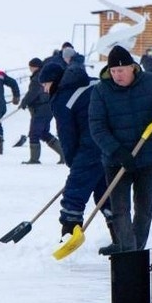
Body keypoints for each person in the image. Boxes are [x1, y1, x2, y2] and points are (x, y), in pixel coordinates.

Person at [88, 45, 152, 254]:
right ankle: (128, 253)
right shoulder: (101, 91)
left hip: (146, 156)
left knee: (144, 209)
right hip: (116, 160)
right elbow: (97, 127)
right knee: (120, 209)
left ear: (132, 67)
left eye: (121, 70)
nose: (117, 75)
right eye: (113, 71)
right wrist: (117, 151)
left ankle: (137, 250)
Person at [38, 62, 115, 247]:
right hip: (114, 143)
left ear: (53, 81)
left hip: (91, 146)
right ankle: (122, 237)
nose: (45, 90)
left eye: (45, 85)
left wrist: (73, 162)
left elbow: (67, 135)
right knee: (105, 191)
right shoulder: (92, 82)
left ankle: (69, 235)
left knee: (74, 192)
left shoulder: (62, 98)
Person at [19, 57, 64, 164]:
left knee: (34, 133)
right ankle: (64, 155)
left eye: (31, 67)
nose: (30, 69)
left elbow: (33, 93)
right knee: (44, 133)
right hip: (48, 108)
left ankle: (34, 159)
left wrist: (24, 102)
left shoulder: (37, 78)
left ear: (35, 67)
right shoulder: (45, 75)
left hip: (41, 108)